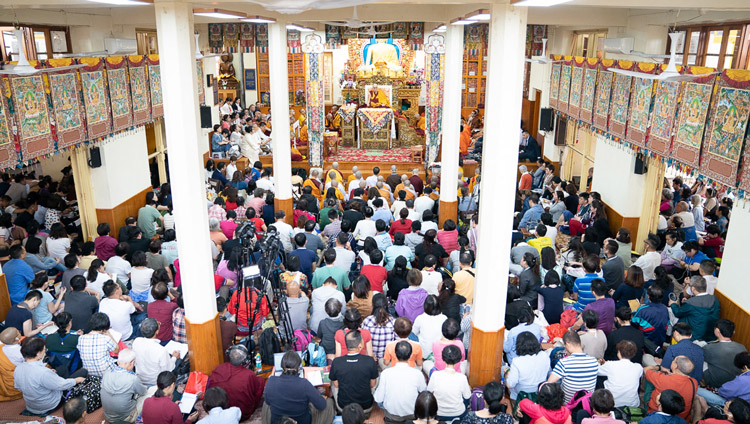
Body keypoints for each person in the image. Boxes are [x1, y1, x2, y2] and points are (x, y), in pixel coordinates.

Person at [14, 337, 87, 415]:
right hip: (49, 404)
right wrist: (76, 380)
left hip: (31, 405)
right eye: (44, 350)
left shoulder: (18, 368)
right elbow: (61, 386)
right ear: (38, 353)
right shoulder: (43, 372)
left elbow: (18, 387)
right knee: (83, 371)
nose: (45, 352)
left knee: (62, 369)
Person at [374, 340, 427, 422]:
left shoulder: (386, 373)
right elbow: (424, 393)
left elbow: (378, 399)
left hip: (392, 415)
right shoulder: (417, 374)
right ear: (410, 356)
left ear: (395, 354)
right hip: (412, 414)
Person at [330, 330, 379, 413]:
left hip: (343, 406)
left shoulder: (336, 362)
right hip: (366, 406)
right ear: (360, 346)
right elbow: (372, 384)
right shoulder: (370, 361)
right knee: (377, 378)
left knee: (332, 382)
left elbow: (336, 385)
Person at [547, 331, 600, 403]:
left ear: (568, 344)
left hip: (568, 404)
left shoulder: (564, 363)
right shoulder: (594, 361)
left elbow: (550, 383)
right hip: (588, 404)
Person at [101, 348, 149, 424]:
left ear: (118, 361)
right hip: (125, 418)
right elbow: (143, 392)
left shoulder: (107, 373)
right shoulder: (133, 379)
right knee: (150, 391)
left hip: (107, 416)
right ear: (132, 363)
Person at [645, 356, 698, 421]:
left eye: (673, 360)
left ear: (675, 366)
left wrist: (659, 367)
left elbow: (646, 370)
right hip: (681, 419)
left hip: (657, 416)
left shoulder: (663, 379)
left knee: (649, 383)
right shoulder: (694, 382)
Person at [428, 345, 471, 420]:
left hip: (438, 413)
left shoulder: (435, 375)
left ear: (443, 358)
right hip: (458, 413)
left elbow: (429, 392)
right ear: (458, 360)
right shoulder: (462, 378)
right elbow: (467, 396)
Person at [671, 276, 720, 341]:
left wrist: (673, 304)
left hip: (694, 337)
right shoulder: (715, 299)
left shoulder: (690, 303)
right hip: (711, 336)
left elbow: (677, 313)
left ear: (693, 288)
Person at [132, 318, 179, 385]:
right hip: (155, 381)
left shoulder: (136, 342)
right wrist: (174, 357)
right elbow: (167, 369)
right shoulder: (161, 350)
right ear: (157, 332)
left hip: (140, 379)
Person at [703, 320, 748, 388]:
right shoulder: (742, 347)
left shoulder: (708, 348)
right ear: (733, 332)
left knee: (700, 358)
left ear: (717, 331)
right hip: (735, 383)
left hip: (715, 383)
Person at [506, 331, 551, 400]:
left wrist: (507, 373)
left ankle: (515, 403)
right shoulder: (544, 355)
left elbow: (510, 385)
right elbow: (549, 373)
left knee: (504, 369)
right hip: (539, 391)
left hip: (521, 393)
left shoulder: (517, 361)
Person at [598, 340, 643, 407]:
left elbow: (597, 371)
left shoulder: (610, 365)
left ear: (619, 352)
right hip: (632, 404)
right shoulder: (638, 367)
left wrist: (600, 362)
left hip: (612, 403)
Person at [77, 312, 119, 377]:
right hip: (107, 373)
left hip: (89, 373)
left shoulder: (81, 338)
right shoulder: (105, 338)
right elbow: (116, 350)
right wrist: (110, 335)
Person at [413, 295, 449, 364]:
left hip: (424, 354)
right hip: (440, 353)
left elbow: (413, 332)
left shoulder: (420, 318)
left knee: (410, 335)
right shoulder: (444, 318)